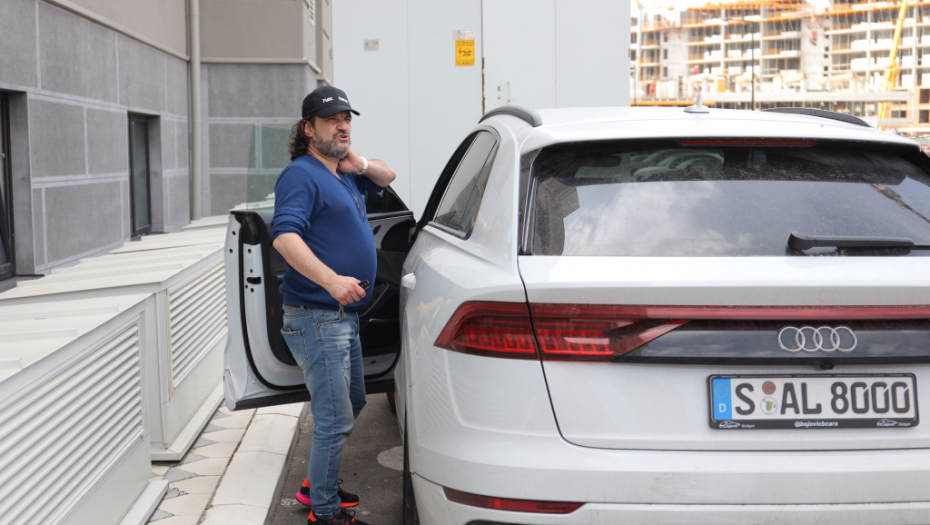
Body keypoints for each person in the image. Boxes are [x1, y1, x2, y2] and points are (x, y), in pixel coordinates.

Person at [271, 85, 396, 525]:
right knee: (334, 418)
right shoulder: (301, 175)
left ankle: (314, 485)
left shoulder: (343, 173)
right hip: (317, 317)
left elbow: (389, 176)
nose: (342, 125)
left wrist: (356, 161)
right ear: (308, 128)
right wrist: (331, 280)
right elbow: (285, 236)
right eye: (331, 120)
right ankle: (323, 513)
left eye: (347, 119)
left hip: (342, 318)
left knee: (356, 401)